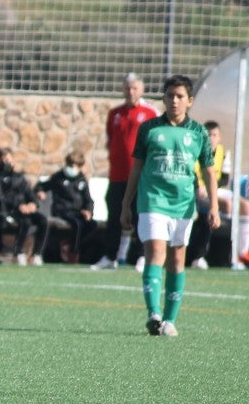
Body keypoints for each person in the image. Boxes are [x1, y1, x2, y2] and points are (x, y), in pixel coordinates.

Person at [121, 74, 218, 337]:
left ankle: (170, 319)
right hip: (152, 200)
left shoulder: (198, 132)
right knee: (155, 253)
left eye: (179, 97)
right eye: (169, 96)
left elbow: (209, 172)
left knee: (177, 259)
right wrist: (126, 204)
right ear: (163, 99)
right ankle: (153, 314)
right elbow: (136, 168)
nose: (174, 101)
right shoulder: (149, 129)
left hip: (183, 204)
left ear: (189, 101)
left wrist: (214, 207)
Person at [93, 73, 160, 270]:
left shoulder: (150, 113)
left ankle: (140, 256)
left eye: (134, 88)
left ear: (142, 90)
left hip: (140, 177)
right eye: (127, 88)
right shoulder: (115, 113)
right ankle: (110, 257)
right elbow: (111, 141)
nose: (130, 92)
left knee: (141, 215)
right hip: (117, 176)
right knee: (114, 216)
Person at [187, 121, 249, 269]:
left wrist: (212, 187)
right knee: (227, 204)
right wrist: (201, 186)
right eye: (208, 135)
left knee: (246, 206)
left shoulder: (223, 153)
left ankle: (242, 253)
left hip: (215, 189)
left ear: (219, 137)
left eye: (214, 135)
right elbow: (191, 173)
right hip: (197, 191)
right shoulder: (194, 151)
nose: (211, 138)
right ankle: (224, 251)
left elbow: (224, 178)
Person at [0, 147, 47, 265]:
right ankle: (18, 252)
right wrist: (19, 206)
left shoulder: (18, 177)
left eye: (9, 159)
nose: (8, 162)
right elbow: (0, 196)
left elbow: (28, 192)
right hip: (10, 210)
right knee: (25, 222)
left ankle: (36, 254)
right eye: (4, 160)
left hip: (25, 208)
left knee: (43, 221)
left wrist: (33, 203)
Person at [35, 151, 95, 264]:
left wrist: (88, 211)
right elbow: (42, 185)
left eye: (74, 166)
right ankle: (73, 253)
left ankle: (69, 244)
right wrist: (40, 191)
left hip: (77, 212)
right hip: (62, 210)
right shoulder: (58, 178)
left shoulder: (81, 180)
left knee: (92, 224)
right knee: (77, 224)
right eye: (70, 165)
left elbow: (88, 200)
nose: (71, 168)